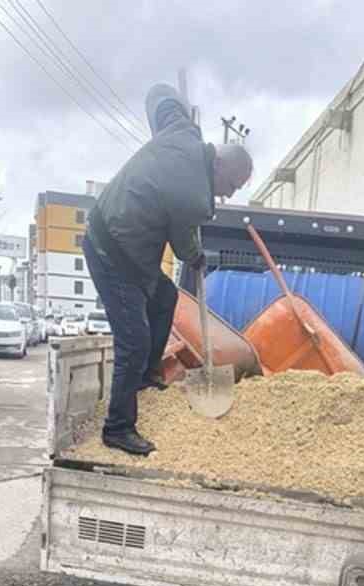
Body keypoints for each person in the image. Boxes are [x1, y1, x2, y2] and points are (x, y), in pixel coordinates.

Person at [83, 83, 254, 456]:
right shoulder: (193, 194)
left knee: (165, 296)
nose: (228, 194)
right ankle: (118, 428)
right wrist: (198, 257)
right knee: (134, 340)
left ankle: (146, 376)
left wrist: (175, 102)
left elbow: (159, 96)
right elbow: (183, 246)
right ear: (219, 163)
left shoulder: (182, 132)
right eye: (230, 185)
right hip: (111, 250)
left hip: (131, 251)